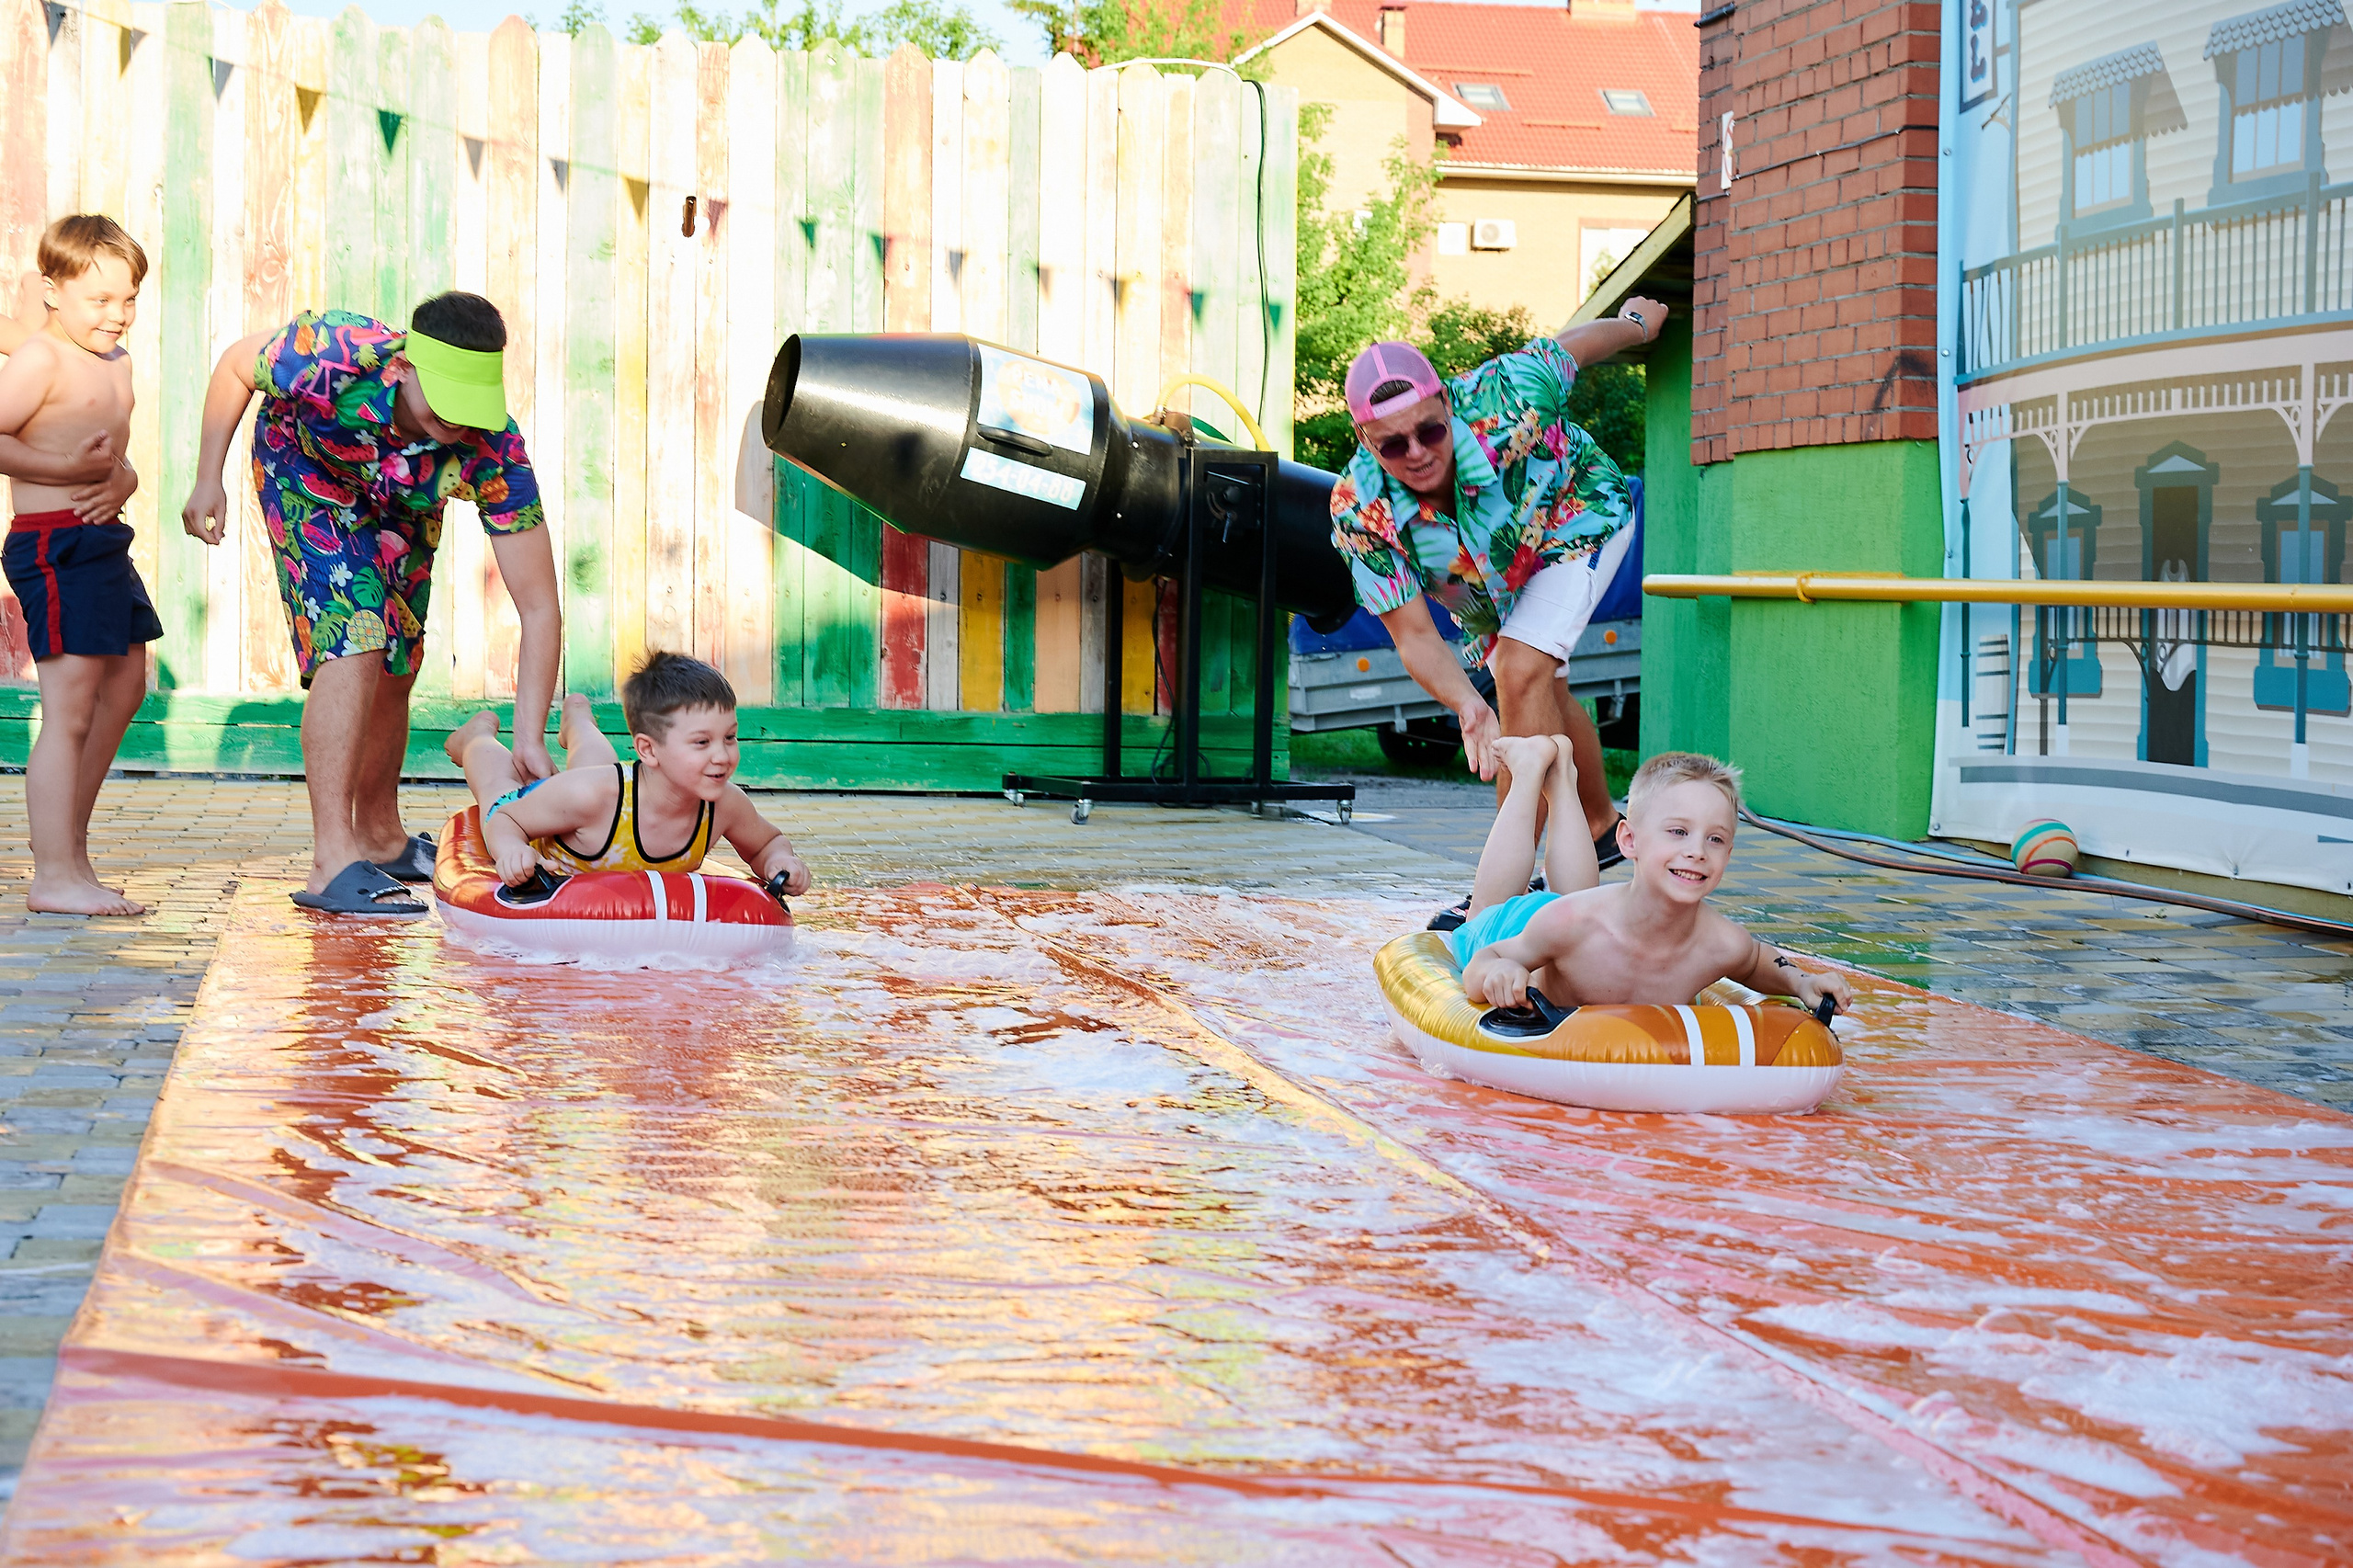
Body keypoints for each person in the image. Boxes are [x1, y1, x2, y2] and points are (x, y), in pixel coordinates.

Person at [181, 295, 561, 917]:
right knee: (355, 633)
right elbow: (234, 367)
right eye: (447, 401)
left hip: (400, 506)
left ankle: (381, 838)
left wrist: (529, 735)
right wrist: (207, 476)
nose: (460, 421)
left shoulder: (493, 447)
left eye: (473, 406)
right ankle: (334, 859)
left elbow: (540, 607)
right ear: (405, 367)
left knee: (398, 660)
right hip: (305, 470)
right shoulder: (335, 353)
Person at [1329, 299, 1668, 922]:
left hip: (1577, 518)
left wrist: (1639, 325)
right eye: (1392, 444)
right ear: (1364, 442)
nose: (1417, 453)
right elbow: (1412, 636)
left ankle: (1500, 893)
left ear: (1447, 406)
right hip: (1489, 589)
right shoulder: (1359, 511)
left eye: (1429, 430)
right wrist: (1466, 704)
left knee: (1519, 672)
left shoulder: (1507, 394)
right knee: (1541, 689)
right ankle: (1598, 824)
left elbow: (1574, 347)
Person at [1452, 742, 1853, 1017]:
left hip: (1587, 916)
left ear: (1728, 855)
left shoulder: (1720, 942)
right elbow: (1485, 964)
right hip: (1529, 925)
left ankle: (1561, 779)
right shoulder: (1568, 924)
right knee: (1485, 912)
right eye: (1678, 832)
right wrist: (1497, 973)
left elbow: (1755, 961)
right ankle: (1528, 771)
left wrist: (1801, 982)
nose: (1697, 851)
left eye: (1715, 839)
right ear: (1628, 840)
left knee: (1577, 900)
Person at [0, 216, 153, 916]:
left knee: (124, 687)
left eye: (127, 299)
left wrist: (127, 480)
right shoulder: (40, 360)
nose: (116, 315)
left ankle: (72, 852)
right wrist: (63, 468)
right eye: (100, 301)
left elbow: (109, 457)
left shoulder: (116, 362)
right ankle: (53, 872)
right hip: (51, 542)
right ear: (52, 292)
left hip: (102, 540)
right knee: (70, 706)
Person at [445, 651, 812, 898]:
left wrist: (779, 861)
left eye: (730, 737)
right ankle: (476, 737)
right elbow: (505, 817)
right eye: (702, 742)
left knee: (598, 772)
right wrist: (511, 850)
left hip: (607, 798)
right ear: (649, 749)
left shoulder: (726, 805)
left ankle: (578, 721)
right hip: (574, 814)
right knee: (501, 788)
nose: (723, 755)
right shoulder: (590, 796)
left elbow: (766, 843)